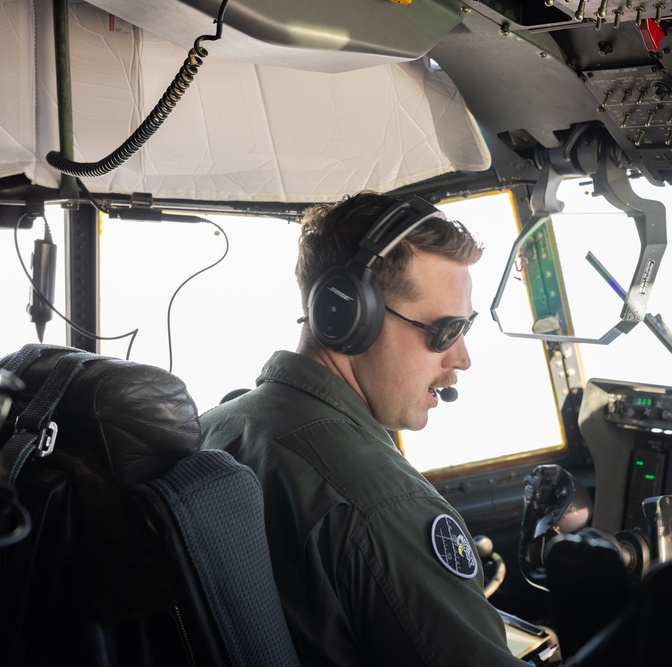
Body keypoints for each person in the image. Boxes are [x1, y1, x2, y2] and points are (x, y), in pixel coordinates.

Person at [199, 191, 526, 666]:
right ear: (348, 316)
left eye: (465, 330)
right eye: (446, 332)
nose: (462, 359)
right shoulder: (380, 503)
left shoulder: (219, 426)